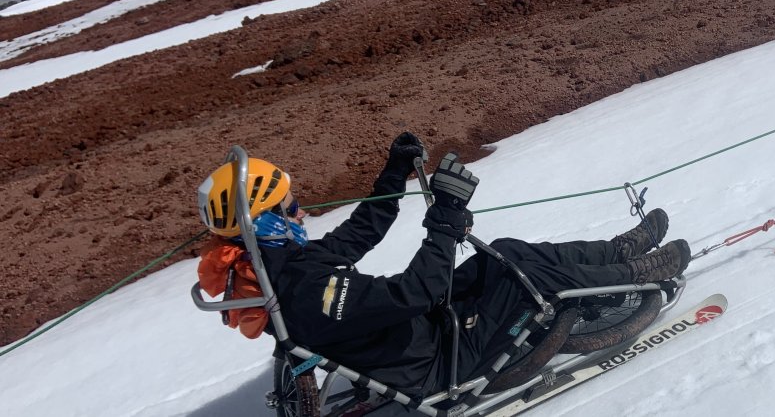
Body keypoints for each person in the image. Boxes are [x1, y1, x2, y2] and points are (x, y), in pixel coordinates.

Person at [196, 132, 689, 399]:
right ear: (263, 222)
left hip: (429, 332)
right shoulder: (305, 290)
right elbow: (416, 292)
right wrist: (447, 219)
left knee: (505, 252)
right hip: (440, 362)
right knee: (527, 276)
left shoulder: (277, 267)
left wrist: (393, 172)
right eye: (290, 207)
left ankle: (615, 252)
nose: (301, 212)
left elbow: (360, 233)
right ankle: (637, 274)